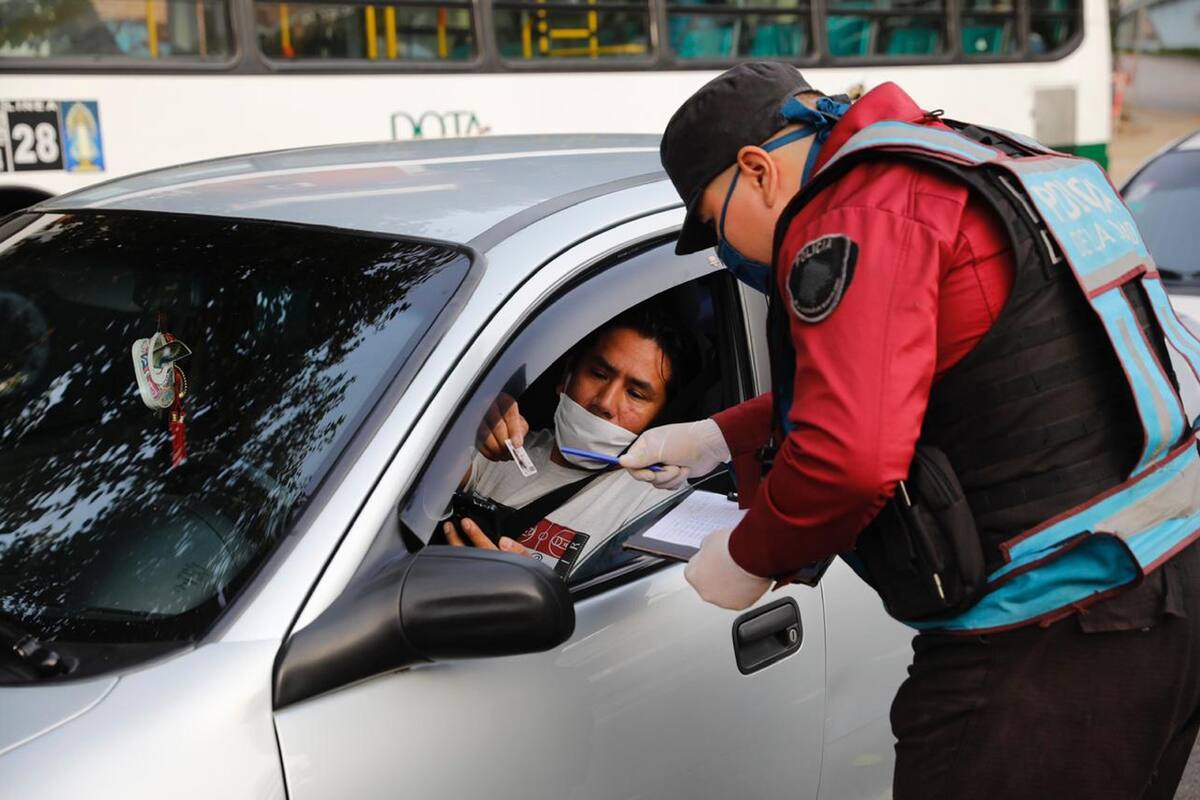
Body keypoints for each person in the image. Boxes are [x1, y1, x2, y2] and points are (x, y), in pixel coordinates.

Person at [619, 62, 1200, 799]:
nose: (722, 252)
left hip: (1052, 626)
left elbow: (850, 461)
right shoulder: (982, 159)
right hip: (1167, 583)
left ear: (758, 170)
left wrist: (748, 555)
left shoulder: (859, 212)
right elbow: (934, 366)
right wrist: (718, 435)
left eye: (712, 223)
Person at [444, 304, 699, 579]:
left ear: (660, 420)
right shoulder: (500, 445)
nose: (605, 402)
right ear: (566, 377)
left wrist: (530, 592)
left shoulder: (658, 507)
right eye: (598, 374)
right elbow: (423, 473)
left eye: (635, 394)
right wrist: (464, 421)